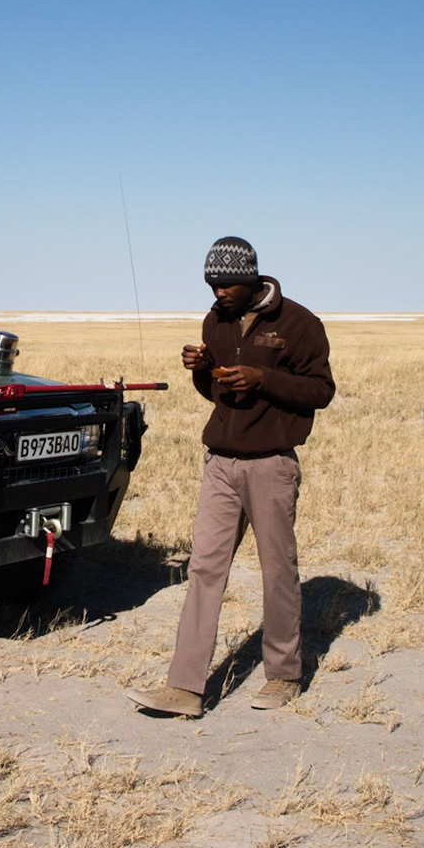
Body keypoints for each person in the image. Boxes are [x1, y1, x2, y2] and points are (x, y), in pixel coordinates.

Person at [126, 236, 335, 718]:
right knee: (204, 570)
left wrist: (263, 379)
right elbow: (214, 394)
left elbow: (321, 391)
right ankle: (184, 689)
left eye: (226, 285)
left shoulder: (300, 324)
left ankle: (283, 676)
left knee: (277, 569)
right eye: (211, 284)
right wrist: (201, 371)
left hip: (271, 464)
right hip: (220, 462)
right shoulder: (213, 321)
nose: (218, 293)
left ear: (251, 278)